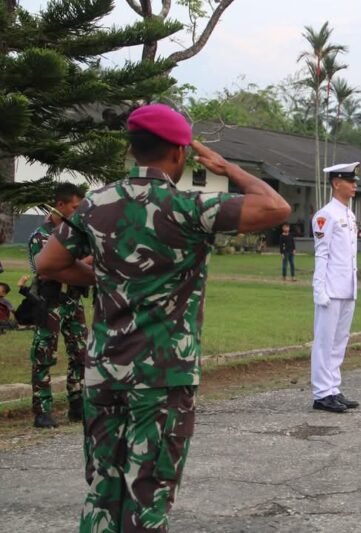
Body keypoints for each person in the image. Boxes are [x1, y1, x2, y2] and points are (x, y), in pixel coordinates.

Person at [35, 103, 291, 531]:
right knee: (148, 492)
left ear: (133, 149)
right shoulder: (189, 207)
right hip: (163, 376)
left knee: (102, 490)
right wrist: (226, 166)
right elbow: (276, 208)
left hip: (104, 371)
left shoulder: (95, 204)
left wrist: (105, 278)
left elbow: (48, 264)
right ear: (178, 154)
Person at [26, 183, 90, 429]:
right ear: (60, 206)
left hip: (73, 300)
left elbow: (73, 267)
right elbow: (45, 271)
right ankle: (42, 410)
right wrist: (82, 264)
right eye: (75, 207)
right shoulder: (41, 236)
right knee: (43, 355)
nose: (78, 211)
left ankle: (77, 404)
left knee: (80, 354)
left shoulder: (77, 234)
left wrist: (74, 266)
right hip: (49, 302)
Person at [310, 162, 360, 413]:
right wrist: (319, 288)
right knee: (324, 341)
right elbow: (322, 254)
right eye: (350, 181)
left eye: (355, 181)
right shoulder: (325, 215)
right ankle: (321, 393)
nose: (355, 186)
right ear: (336, 183)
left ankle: (333, 388)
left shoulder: (349, 215)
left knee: (340, 341)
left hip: (348, 287)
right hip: (330, 288)